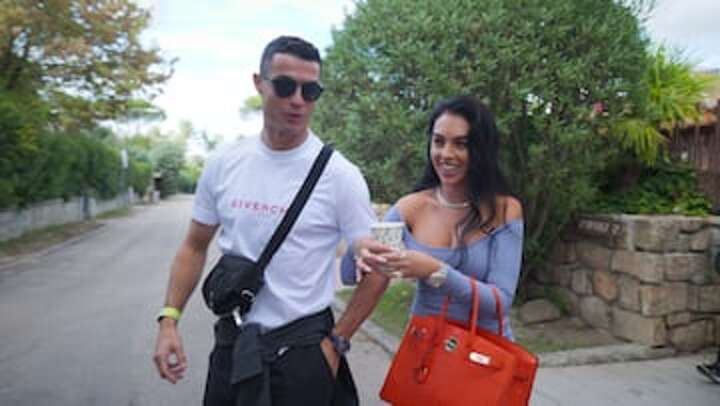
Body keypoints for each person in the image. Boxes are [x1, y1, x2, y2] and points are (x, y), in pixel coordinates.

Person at [152, 35, 390, 406]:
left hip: (303, 352)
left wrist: (337, 342)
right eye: (285, 86)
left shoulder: (339, 176)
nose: (298, 100)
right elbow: (194, 246)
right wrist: (169, 320)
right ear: (258, 84)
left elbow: (379, 268)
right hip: (234, 346)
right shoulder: (225, 163)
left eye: (310, 90)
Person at [344, 95, 523, 343]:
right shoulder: (410, 207)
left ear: (481, 149)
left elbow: (499, 303)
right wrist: (358, 249)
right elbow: (348, 276)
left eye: (461, 144)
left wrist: (435, 271)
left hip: (484, 355)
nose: (446, 154)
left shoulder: (504, 210)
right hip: (424, 350)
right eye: (439, 142)